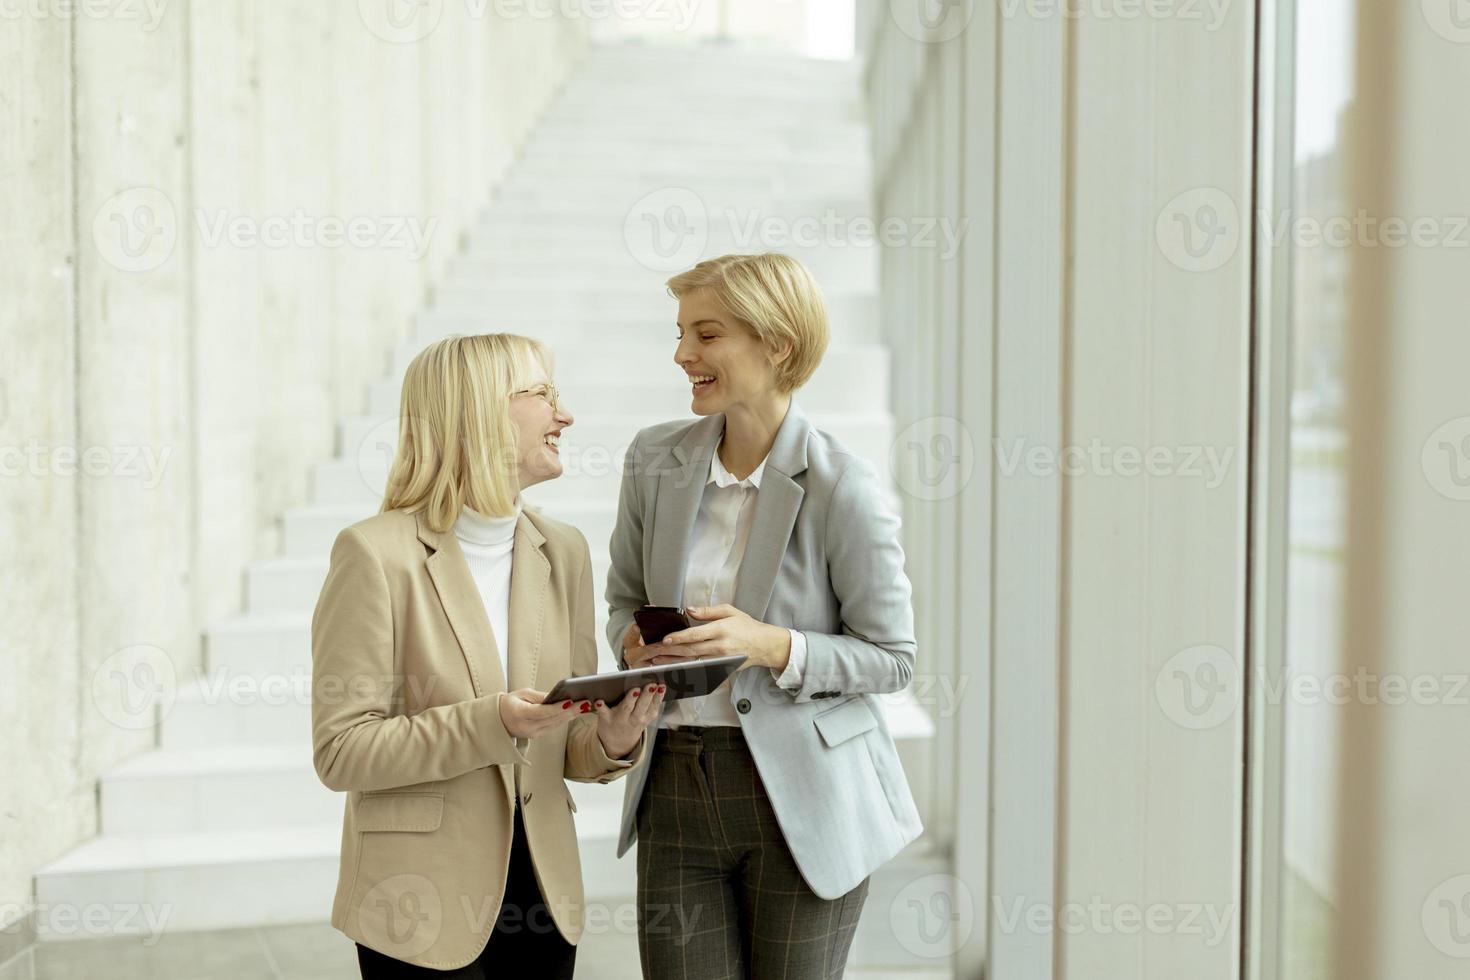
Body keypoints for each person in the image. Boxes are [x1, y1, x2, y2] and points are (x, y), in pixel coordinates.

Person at [604, 253, 923, 979]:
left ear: (776, 342)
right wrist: (631, 644)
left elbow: (893, 658)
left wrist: (772, 645)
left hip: (806, 799)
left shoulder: (844, 484)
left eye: (706, 335)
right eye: (681, 333)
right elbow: (623, 598)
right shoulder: (654, 461)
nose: (683, 354)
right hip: (675, 787)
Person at [311, 333, 667, 977]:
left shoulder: (565, 551)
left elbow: (567, 741)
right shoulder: (373, 555)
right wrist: (492, 722)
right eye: (542, 394)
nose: (565, 415)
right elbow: (341, 753)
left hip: (543, 897)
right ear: (478, 410)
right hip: (419, 904)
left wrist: (613, 738)